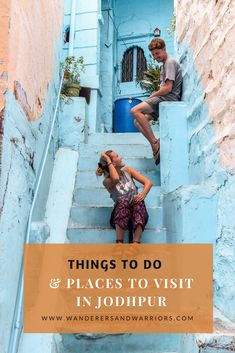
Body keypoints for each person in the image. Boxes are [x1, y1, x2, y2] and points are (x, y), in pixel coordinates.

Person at [131, 38, 183, 165]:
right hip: (163, 99)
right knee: (137, 122)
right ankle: (155, 144)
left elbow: (168, 88)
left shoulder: (170, 62)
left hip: (168, 98)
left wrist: (152, 96)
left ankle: (154, 143)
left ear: (164, 49)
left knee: (135, 110)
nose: (155, 57)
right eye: (153, 54)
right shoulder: (165, 64)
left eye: (157, 53)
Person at [96, 150, 153, 244]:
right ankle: (119, 243)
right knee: (123, 201)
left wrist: (143, 194)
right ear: (112, 164)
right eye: (117, 157)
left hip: (136, 217)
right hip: (120, 218)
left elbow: (148, 183)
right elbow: (116, 178)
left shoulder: (128, 171)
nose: (121, 158)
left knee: (138, 202)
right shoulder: (107, 181)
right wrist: (107, 159)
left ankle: (136, 243)